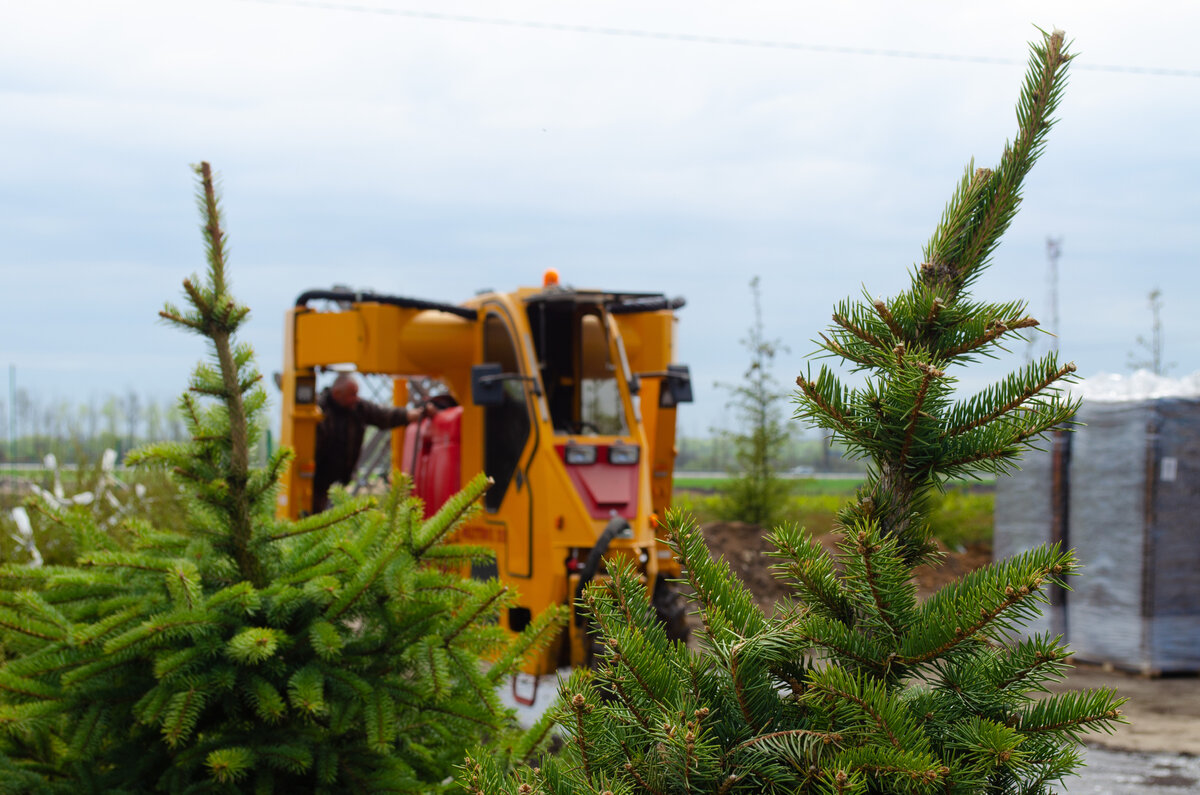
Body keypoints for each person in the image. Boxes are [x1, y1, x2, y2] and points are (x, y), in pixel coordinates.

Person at [312, 373, 431, 513]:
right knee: (316, 516)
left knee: (332, 515)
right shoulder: (319, 410)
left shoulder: (358, 408)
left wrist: (409, 415)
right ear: (337, 393)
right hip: (317, 479)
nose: (356, 398)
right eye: (352, 394)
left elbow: (382, 416)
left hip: (340, 479)